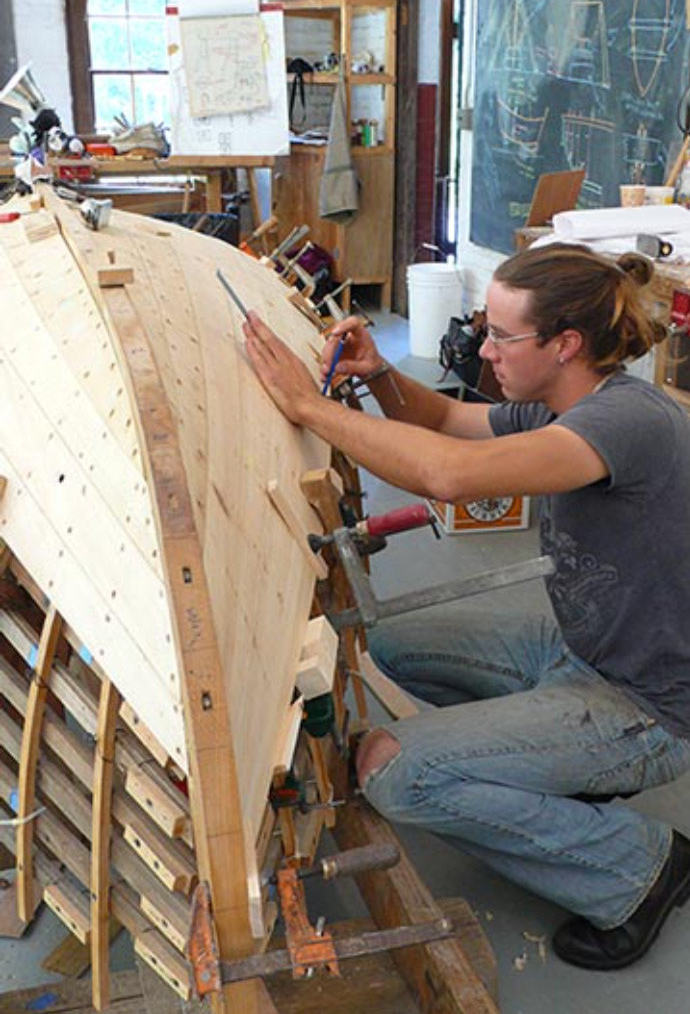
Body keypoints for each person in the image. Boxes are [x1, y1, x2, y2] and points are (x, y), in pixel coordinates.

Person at [244, 243, 690, 970]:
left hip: (648, 706)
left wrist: (308, 406)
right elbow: (450, 423)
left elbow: (448, 476)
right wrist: (381, 374)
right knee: (391, 643)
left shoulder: (626, 421)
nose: (484, 348)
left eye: (500, 335)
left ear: (565, 344)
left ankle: (638, 867)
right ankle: (558, 765)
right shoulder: (564, 401)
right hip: (579, 652)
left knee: (394, 769)